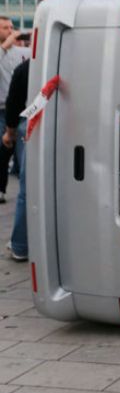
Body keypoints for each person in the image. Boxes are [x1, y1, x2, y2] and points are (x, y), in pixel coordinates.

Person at [0, 16, 30, 203]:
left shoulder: (22, 52)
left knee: (22, 150)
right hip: (1, 108)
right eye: (5, 28)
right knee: (1, 149)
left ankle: (25, 187)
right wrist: (4, 47)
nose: (10, 31)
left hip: (20, 109)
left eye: (11, 27)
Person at [3, 59, 29, 261]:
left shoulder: (25, 68)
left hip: (29, 126)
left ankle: (20, 245)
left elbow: (14, 102)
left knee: (27, 189)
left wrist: (9, 133)